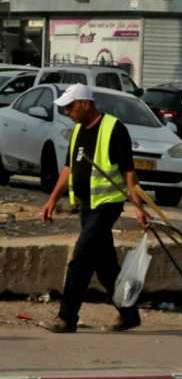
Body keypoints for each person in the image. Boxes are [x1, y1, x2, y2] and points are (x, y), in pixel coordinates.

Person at [39, 83, 148, 333]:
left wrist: (138, 208)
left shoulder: (114, 129)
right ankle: (129, 314)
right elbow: (68, 168)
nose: (67, 112)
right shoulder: (77, 131)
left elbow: (129, 173)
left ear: (85, 103)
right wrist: (52, 199)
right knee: (106, 266)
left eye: (70, 107)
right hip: (87, 208)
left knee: (80, 260)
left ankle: (67, 318)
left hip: (107, 206)